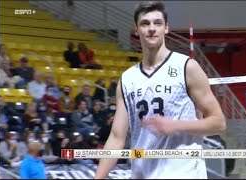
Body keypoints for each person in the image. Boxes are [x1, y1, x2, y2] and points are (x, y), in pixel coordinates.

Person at [95, 2, 226, 179]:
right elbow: (117, 138)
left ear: (166, 28)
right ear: (136, 30)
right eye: (145, 23)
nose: (151, 28)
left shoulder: (187, 67)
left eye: (157, 23)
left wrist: (176, 125)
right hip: (143, 174)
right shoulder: (127, 79)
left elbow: (218, 123)